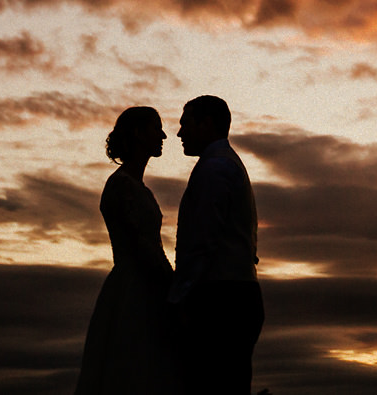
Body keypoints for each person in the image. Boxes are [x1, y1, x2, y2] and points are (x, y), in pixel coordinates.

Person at [75, 106, 183, 394]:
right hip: (135, 291)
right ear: (137, 133)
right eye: (155, 128)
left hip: (147, 286)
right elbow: (141, 246)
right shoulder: (121, 186)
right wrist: (172, 285)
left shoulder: (139, 187)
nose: (163, 135)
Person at [171, 95, 263, 395]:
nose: (179, 133)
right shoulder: (229, 165)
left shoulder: (214, 169)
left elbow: (201, 241)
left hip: (220, 301)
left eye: (186, 124)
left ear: (207, 123)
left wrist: (179, 299)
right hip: (237, 295)